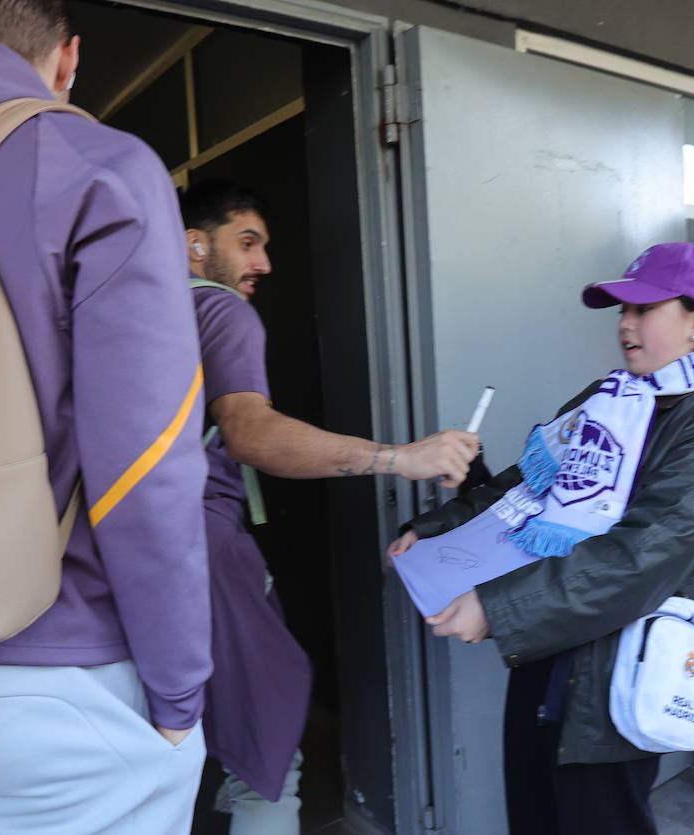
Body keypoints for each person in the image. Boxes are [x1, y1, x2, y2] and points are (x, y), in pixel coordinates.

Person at [0, 2, 213, 832]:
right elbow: (147, 465)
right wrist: (178, 691)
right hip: (57, 675)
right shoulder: (98, 167)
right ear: (68, 60)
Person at [388, 242, 694, 835]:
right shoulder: (609, 399)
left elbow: (637, 558)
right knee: (532, 814)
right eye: (620, 311)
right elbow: (523, 492)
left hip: (614, 681)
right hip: (543, 651)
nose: (625, 325)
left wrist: (500, 607)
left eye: (643, 309)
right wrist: (432, 530)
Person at [180, 179, 480, 833]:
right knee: (268, 749)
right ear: (193, 245)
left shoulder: (117, 314)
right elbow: (250, 434)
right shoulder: (220, 311)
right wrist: (403, 457)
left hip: (112, 551)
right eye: (248, 242)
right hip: (197, 547)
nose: (263, 264)